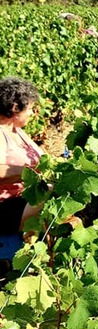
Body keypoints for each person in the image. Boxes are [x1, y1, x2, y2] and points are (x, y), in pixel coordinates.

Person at [0, 77, 43, 234]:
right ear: (15, 107)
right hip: (6, 208)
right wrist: (32, 172)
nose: (32, 113)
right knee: (55, 193)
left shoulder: (18, 131)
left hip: (23, 199)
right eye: (30, 108)